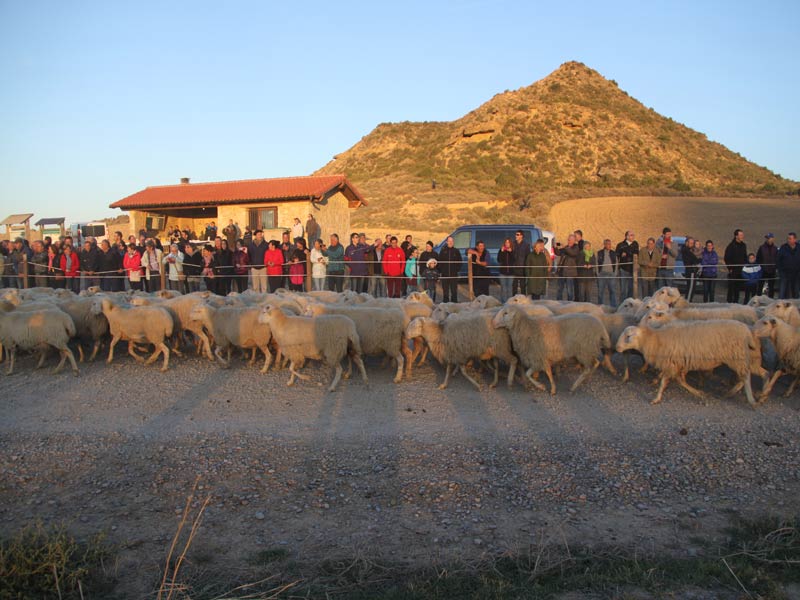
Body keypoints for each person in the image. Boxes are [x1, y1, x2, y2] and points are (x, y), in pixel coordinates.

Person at [724, 229, 747, 303]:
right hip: (733, 270)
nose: (742, 236)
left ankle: (736, 303)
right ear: (736, 236)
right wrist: (730, 268)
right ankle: (729, 302)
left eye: (742, 235)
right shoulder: (731, 246)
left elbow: (745, 257)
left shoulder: (743, 245)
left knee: (738, 288)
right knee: (731, 288)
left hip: (741, 270)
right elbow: (726, 258)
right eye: (740, 235)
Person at [554, 234, 579, 301]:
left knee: (569, 290)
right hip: (562, 271)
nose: (568, 241)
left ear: (574, 240)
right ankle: (559, 303)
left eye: (570, 240)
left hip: (570, 272)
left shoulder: (576, 247)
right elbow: (558, 253)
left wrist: (565, 248)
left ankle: (569, 304)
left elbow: (572, 253)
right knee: (559, 289)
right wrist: (555, 247)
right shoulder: (566, 247)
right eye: (568, 239)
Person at [615, 231, 639, 300]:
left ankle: (630, 303)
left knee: (631, 287)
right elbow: (617, 255)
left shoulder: (635, 244)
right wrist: (622, 254)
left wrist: (626, 253)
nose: (633, 236)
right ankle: (622, 304)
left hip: (632, 269)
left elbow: (636, 253)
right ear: (626, 236)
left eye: (633, 235)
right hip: (623, 268)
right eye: (631, 235)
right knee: (623, 288)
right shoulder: (620, 245)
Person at [438, 236, 461, 303]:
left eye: (452, 241)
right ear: (446, 242)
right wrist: (441, 271)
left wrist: (456, 270)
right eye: (449, 241)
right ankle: (445, 304)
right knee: (445, 291)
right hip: (445, 275)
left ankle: (454, 305)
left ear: (453, 242)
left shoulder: (456, 251)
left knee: (454, 291)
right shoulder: (443, 251)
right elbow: (439, 262)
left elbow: (460, 262)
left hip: (453, 275)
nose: (450, 242)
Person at [777, 232, 800, 299]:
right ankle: (780, 305)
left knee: (796, 291)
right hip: (785, 273)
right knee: (783, 291)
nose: (788, 240)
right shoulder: (783, 247)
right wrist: (780, 271)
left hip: (796, 274)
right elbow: (778, 259)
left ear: (795, 239)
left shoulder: (799, 247)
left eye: (790, 238)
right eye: (788, 238)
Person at [595, 238, 617, 306]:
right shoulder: (599, 253)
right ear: (604, 245)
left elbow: (616, 263)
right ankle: (600, 306)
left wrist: (615, 273)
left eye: (610, 244)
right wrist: (598, 273)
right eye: (607, 244)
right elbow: (596, 263)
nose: (609, 245)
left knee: (612, 291)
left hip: (611, 274)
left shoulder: (613, 253)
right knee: (600, 291)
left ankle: (613, 306)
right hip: (602, 274)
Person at [756, 233, 778, 298]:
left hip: (772, 270)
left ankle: (771, 300)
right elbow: (758, 258)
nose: (768, 240)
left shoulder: (775, 248)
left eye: (769, 238)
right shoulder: (761, 248)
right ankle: (758, 299)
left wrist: (775, 267)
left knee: (771, 287)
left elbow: (777, 258)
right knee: (760, 286)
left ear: (773, 239)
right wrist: (761, 266)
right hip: (763, 270)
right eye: (767, 238)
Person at [681, 236, 701, 302]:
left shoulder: (690, 250)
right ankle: (687, 302)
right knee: (691, 288)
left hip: (693, 270)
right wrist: (698, 260)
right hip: (691, 271)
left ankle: (689, 300)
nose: (692, 244)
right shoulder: (686, 250)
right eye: (691, 243)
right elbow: (694, 259)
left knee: (692, 287)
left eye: (693, 243)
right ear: (687, 243)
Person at [512, 230, 530, 296]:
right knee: (514, 285)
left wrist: (527, 267)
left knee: (523, 286)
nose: (515, 236)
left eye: (517, 234)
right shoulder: (513, 244)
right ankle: (513, 300)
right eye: (516, 234)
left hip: (522, 268)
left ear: (521, 236)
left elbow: (528, 257)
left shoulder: (526, 245)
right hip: (514, 267)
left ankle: (523, 299)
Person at [497, 238, 514, 302]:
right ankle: (503, 302)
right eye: (506, 242)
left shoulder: (513, 250)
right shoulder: (501, 250)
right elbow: (499, 260)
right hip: (502, 272)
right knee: (503, 288)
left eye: (508, 242)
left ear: (510, 243)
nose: (507, 244)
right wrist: (501, 252)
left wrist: (511, 252)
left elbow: (514, 260)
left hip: (511, 273)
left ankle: (509, 302)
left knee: (509, 289)